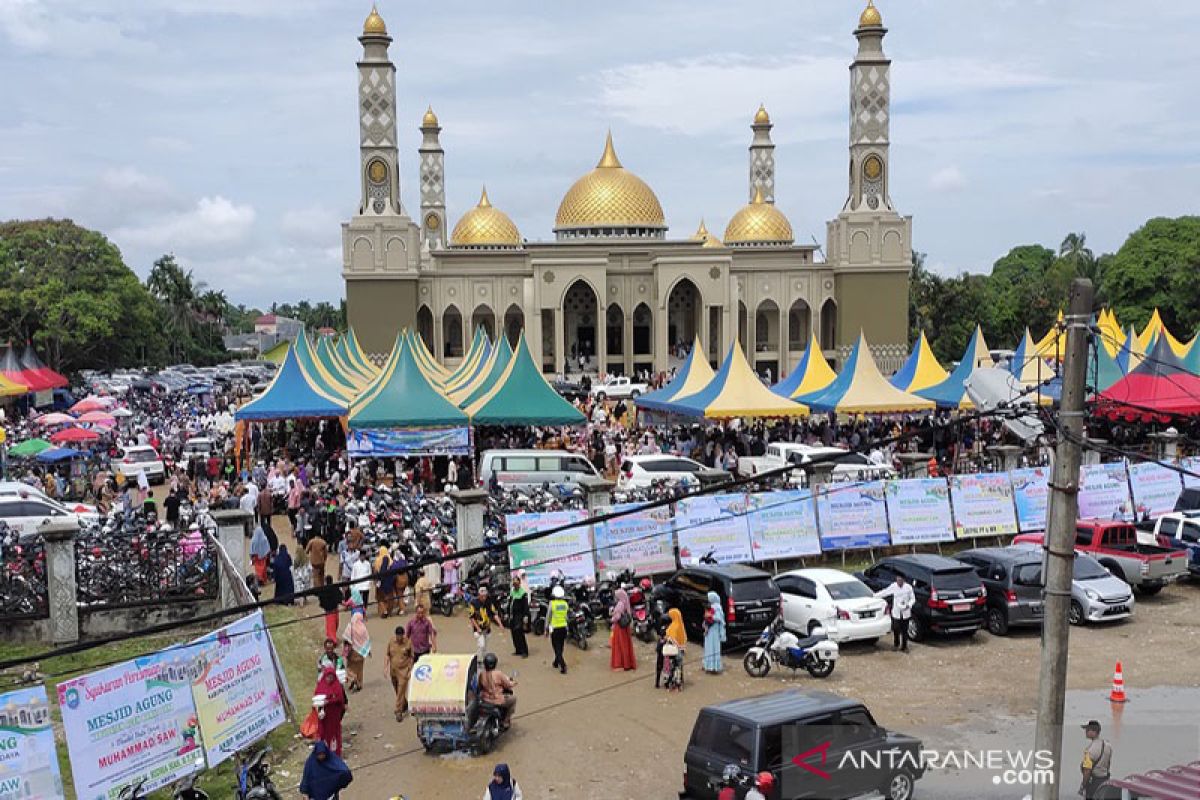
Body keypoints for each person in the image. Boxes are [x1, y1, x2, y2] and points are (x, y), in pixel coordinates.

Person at [874, 573, 916, 652]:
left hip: (905, 612)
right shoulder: (893, 586)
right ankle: (896, 644)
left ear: (903, 580)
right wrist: (875, 595)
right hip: (896, 612)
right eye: (897, 580)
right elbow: (885, 592)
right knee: (896, 629)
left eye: (900, 580)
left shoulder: (908, 588)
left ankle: (904, 646)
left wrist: (908, 605)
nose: (898, 582)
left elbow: (913, 599)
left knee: (905, 630)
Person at [384, 625, 415, 722]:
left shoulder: (408, 643)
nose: (399, 638)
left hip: (403, 671)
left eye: (401, 636)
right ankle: (404, 704)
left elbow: (412, 657)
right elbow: (387, 655)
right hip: (393, 670)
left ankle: (398, 711)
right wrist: (385, 667)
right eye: (398, 636)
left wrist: (410, 669)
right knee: (397, 690)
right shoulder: (391, 642)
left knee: (401, 689)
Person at [313, 667, 347, 756]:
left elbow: (340, 698)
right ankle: (323, 751)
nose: (330, 679)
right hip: (324, 716)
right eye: (328, 677)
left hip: (334, 716)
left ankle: (335, 753)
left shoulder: (337, 685)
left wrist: (330, 701)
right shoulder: (321, 685)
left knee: (334, 735)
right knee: (323, 733)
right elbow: (316, 697)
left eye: (332, 677)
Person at [478, 653, 516, 731]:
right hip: (497, 700)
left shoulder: (482, 674)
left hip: (485, 700)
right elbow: (508, 685)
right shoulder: (498, 674)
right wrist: (514, 683)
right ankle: (505, 722)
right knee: (513, 699)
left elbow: (480, 686)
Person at [469, 585, 505, 662]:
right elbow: (472, 617)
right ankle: (478, 660)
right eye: (482, 596)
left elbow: (494, 614)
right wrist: (477, 628)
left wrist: (500, 624)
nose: (484, 598)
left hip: (487, 628)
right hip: (478, 629)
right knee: (481, 645)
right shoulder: (473, 603)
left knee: (485, 646)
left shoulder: (489, 603)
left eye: (485, 596)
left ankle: (484, 661)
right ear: (479, 595)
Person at [1079, 720, 1113, 799]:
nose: (1086, 732)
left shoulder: (1090, 750)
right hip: (1105, 780)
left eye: (1087, 730)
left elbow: (1087, 770)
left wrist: (1083, 785)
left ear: (1093, 732)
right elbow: (1108, 764)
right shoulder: (1108, 745)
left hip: (1094, 782)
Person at [342, 607, 371, 692]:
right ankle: (359, 684)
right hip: (361, 653)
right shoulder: (363, 628)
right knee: (360, 668)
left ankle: (352, 678)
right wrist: (368, 651)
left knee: (350, 667)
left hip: (352, 652)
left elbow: (346, 638)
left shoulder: (350, 626)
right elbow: (367, 640)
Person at [608, 587, 635, 671]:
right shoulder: (625, 603)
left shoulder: (620, 604)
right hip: (625, 627)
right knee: (626, 645)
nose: (615, 597)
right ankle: (627, 663)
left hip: (619, 628)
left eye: (616, 595)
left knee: (619, 645)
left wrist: (611, 619)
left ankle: (621, 663)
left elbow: (617, 617)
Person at [545, 585, 569, 675]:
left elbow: (548, 617)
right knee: (560, 646)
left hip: (555, 629)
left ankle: (563, 665)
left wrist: (546, 629)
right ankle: (556, 662)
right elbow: (566, 617)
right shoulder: (565, 604)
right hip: (563, 628)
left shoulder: (552, 603)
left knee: (556, 648)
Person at [662, 607, 687, 691]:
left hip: (672, 652)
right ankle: (678, 684)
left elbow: (670, 639)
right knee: (678, 667)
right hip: (680, 651)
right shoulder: (681, 626)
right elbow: (683, 640)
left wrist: (666, 638)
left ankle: (670, 684)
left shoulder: (673, 626)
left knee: (670, 667)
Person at [702, 590, 726, 674]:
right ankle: (708, 666)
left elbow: (720, 619)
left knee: (714, 648)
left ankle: (714, 667)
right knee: (708, 648)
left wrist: (711, 616)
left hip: (714, 631)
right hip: (709, 631)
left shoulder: (717, 607)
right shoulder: (711, 606)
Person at [508, 575, 530, 658]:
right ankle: (518, 650)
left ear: (519, 583)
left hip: (519, 616)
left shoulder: (522, 593)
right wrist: (508, 614)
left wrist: (525, 617)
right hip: (512, 616)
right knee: (513, 634)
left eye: (516, 583)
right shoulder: (512, 592)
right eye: (514, 583)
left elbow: (525, 607)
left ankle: (525, 651)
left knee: (520, 633)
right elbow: (510, 604)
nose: (515, 585)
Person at [318, 576, 342, 642]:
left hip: (329, 610)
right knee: (333, 625)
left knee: (332, 625)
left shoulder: (324, 589)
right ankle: (333, 640)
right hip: (333, 610)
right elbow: (340, 597)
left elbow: (321, 599)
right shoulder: (335, 588)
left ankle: (332, 638)